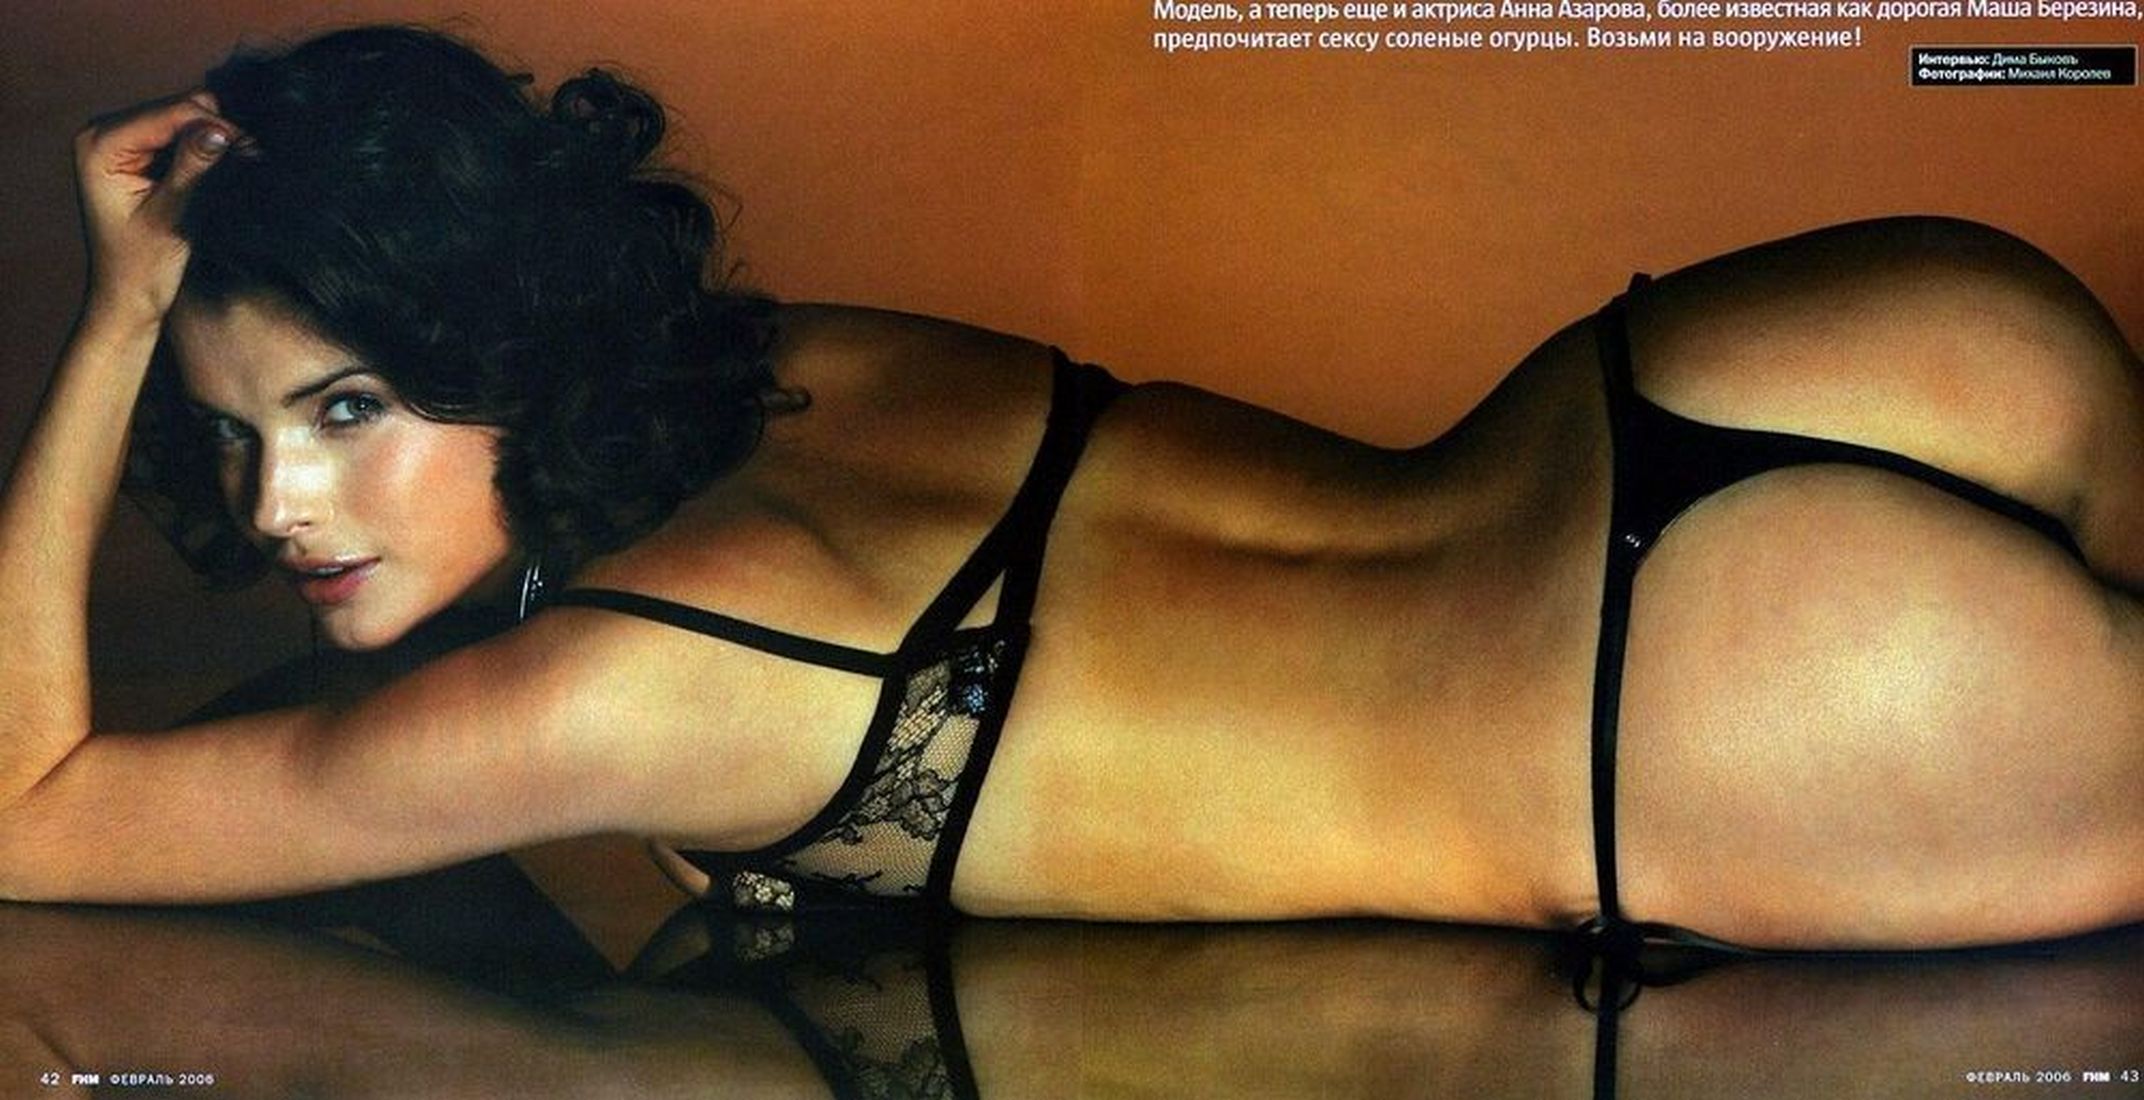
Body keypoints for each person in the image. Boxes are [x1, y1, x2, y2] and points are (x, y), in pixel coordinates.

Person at [1, 26, 2136, 953]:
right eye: (228, 431)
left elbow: (29, 817)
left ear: (499, 339)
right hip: (1746, 359)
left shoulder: (601, 689)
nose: (277, 505)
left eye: (347, 407)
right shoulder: (800, 359)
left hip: (1697, 708)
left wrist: (115, 320)